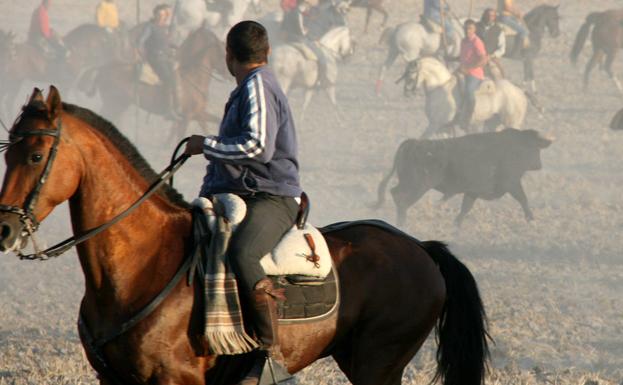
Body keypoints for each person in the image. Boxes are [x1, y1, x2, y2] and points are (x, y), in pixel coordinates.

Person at [184, 20, 302, 385]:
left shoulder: (258, 87)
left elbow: (258, 147)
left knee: (244, 254)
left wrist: (205, 144)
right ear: (266, 51)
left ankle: (271, 357)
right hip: (245, 191)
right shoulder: (246, 88)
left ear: (228, 56)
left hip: (273, 196)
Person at [138, 4, 180, 119]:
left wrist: (176, 46)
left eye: (165, 15)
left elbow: (166, 43)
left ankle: (178, 106)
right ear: (156, 15)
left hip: (165, 58)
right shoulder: (150, 27)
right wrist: (142, 54)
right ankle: (168, 109)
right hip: (156, 59)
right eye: (161, 14)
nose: (163, 17)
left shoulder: (164, 28)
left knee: (177, 77)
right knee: (168, 79)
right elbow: (140, 42)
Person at [281, 0, 328, 86]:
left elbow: (283, 29)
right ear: (303, 4)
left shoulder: (288, 12)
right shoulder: (299, 14)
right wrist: (307, 32)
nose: (308, 7)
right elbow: (301, 31)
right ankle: (320, 80)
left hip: (287, 40)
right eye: (307, 5)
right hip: (298, 40)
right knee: (320, 55)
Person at [456, 19, 488, 130]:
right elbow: (463, 57)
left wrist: (468, 68)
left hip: (475, 74)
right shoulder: (463, 41)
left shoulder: (477, 42)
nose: (467, 30)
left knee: (469, 91)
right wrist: (450, 58)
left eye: (469, 28)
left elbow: (483, 60)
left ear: (474, 29)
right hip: (462, 71)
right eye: (465, 28)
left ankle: (467, 119)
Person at [476, 8, 506, 79]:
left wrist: (492, 56)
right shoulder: (476, 27)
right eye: (488, 15)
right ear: (484, 16)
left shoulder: (498, 30)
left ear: (495, 17)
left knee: (498, 77)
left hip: (491, 59)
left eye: (492, 16)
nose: (490, 18)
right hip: (476, 58)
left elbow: (502, 48)